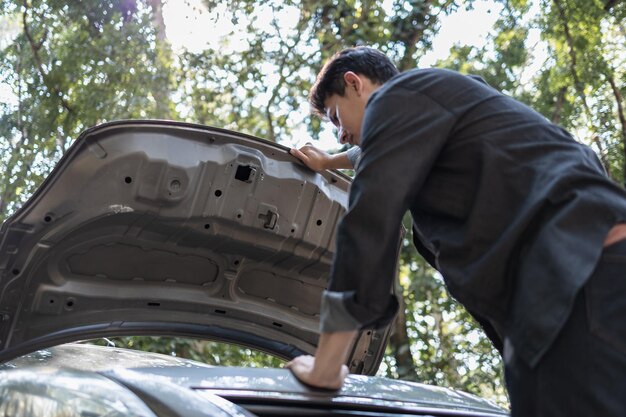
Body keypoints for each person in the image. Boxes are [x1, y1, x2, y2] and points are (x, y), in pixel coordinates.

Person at [284, 46, 626, 416]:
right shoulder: (442, 103)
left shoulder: (399, 95)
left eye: (335, 117)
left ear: (355, 83)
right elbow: (370, 149)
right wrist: (328, 161)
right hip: (567, 296)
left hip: (581, 279)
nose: (340, 135)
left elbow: (369, 223)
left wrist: (327, 366)